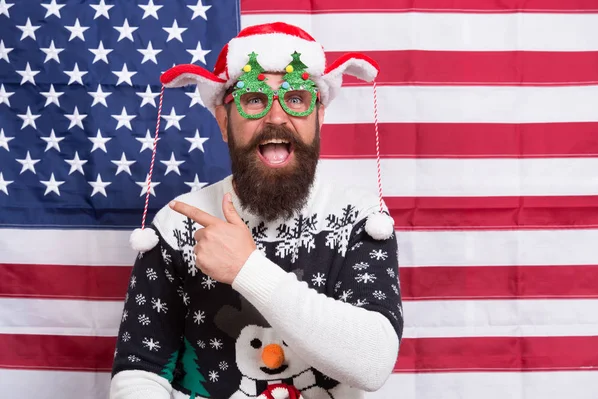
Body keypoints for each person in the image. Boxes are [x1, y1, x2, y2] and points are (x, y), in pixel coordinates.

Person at [110, 22, 403, 399]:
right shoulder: (177, 224)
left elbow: (374, 363)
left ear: (320, 117)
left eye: (297, 98)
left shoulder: (362, 216)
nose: (277, 117)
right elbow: (139, 373)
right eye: (253, 98)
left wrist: (247, 269)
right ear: (223, 121)